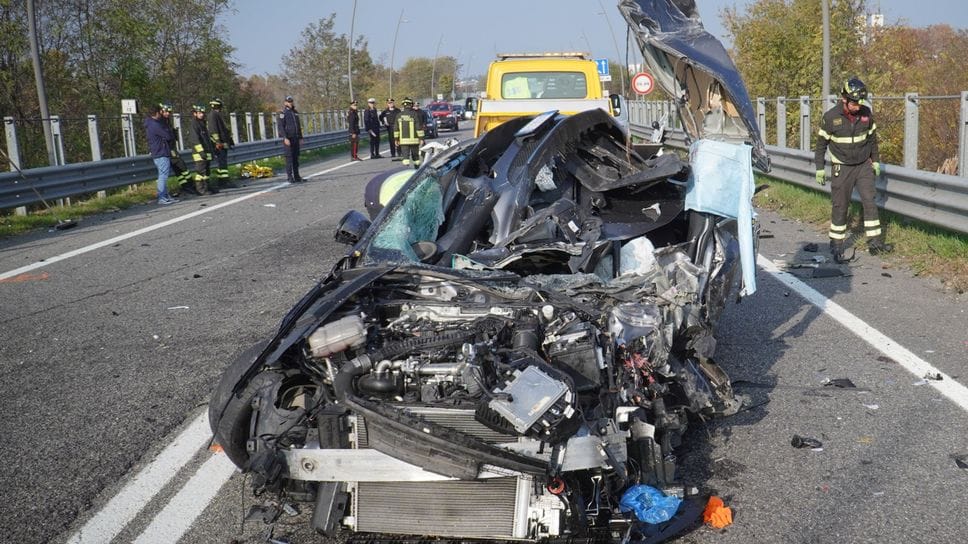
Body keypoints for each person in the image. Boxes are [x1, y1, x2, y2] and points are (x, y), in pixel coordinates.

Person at [815, 76, 893, 262]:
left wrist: (875, 161)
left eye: (860, 102)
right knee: (840, 205)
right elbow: (820, 145)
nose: (858, 106)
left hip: (863, 165)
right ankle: (836, 243)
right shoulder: (831, 117)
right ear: (845, 99)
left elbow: (872, 140)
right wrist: (820, 168)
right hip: (842, 167)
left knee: (870, 201)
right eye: (855, 103)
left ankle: (875, 242)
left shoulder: (866, 114)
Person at [144, 103, 179, 205]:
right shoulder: (155, 124)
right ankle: (162, 197)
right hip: (161, 152)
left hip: (159, 151)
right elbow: (167, 136)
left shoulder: (151, 123)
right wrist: (168, 132)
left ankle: (166, 196)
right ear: (157, 112)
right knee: (163, 176)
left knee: (163, 175)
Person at [159, 103, 196, 195]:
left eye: (169, 112)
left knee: (178, 169)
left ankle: (187, 186)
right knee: (181, 166)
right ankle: (189, 185)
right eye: (166, 112)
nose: (168, 113)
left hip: (171, 147)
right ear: (161, 111)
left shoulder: (167, 121)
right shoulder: (160, 122)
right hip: (168, 149)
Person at [188, 103, 219, 195]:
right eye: (199, 113)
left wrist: (212, 150)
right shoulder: (194, 124)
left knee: (207, 171)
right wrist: (201, 151)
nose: (201, 114)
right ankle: (200, 189)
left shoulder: (202, 123)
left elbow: (207, 138)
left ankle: (207, 187)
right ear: (195, 113)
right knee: (200, 172)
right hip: (199, 153)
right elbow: (195, 140)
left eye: (202, 113)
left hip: (207, 151)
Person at [207, 98, 236, 187]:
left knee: (223, 162)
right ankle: (223, 181)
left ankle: (223, 180)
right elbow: (213, 130)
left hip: (222, 143)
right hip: (219, 144)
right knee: (222, 162)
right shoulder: (213, 115)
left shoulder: (216, 115)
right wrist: (218, 142)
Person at [278, 95, 304, 183]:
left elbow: (298, 126)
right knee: (289, 158)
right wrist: (285, 138)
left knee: (296, 158)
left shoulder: (295, 112)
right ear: (285, 103)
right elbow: (281, 127)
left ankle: (297, 176)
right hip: (288, 139)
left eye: (291, 101)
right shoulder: (283, 113)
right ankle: (290, 177)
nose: (290, 103)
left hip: (296, 138)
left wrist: (300, 137)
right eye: (288, 102)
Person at [395, 97, 425, 168]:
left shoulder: (399, 115)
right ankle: (417, 170)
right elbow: (419, 128)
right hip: (414, 141)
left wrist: (396, 139)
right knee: (416, 157)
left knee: (405, 158)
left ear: (403, 105)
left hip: (403, 141)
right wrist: (421, 138)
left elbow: (396, 129)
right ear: (411, 105)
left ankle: (406, 169)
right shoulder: (415, 114)